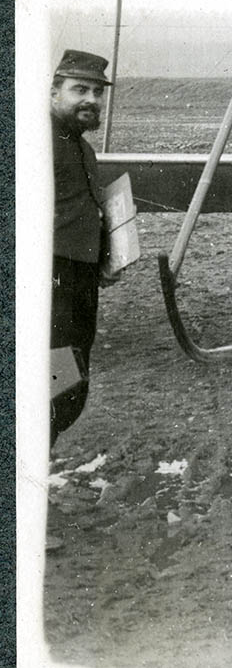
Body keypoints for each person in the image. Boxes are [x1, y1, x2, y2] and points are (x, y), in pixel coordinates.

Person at [50, 49, 118, 444]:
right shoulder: (34, 141)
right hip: (49, 281)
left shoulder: (80, 145)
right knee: (53, 384)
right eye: (80, 89)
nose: (91, 99)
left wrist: (107, 252)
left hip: (80, 278)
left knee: (69, 383)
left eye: (97, 91)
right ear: (54, 92)